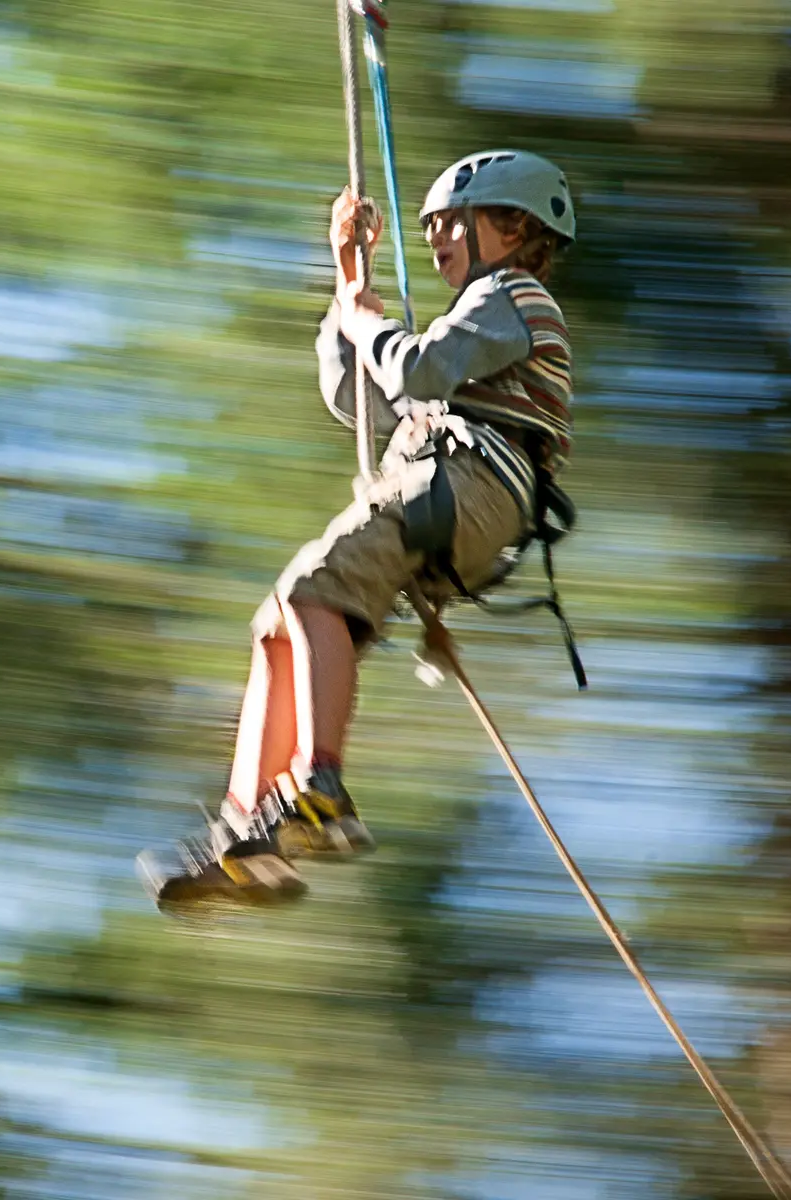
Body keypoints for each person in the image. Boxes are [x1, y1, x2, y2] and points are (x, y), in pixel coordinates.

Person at [137, 149, 577, 911]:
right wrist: (349, 286)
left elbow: (413, 372)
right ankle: (249, 835)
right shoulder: (477, 320)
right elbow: (360, 400)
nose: (435, 236)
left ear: (510, 226)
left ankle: (320, 786)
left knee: (315, 591)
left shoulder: (514, 296)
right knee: (280, 621)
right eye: (431, 224)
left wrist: (372, 322)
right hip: (448, 486)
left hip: (470, 484)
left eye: (450, 222)